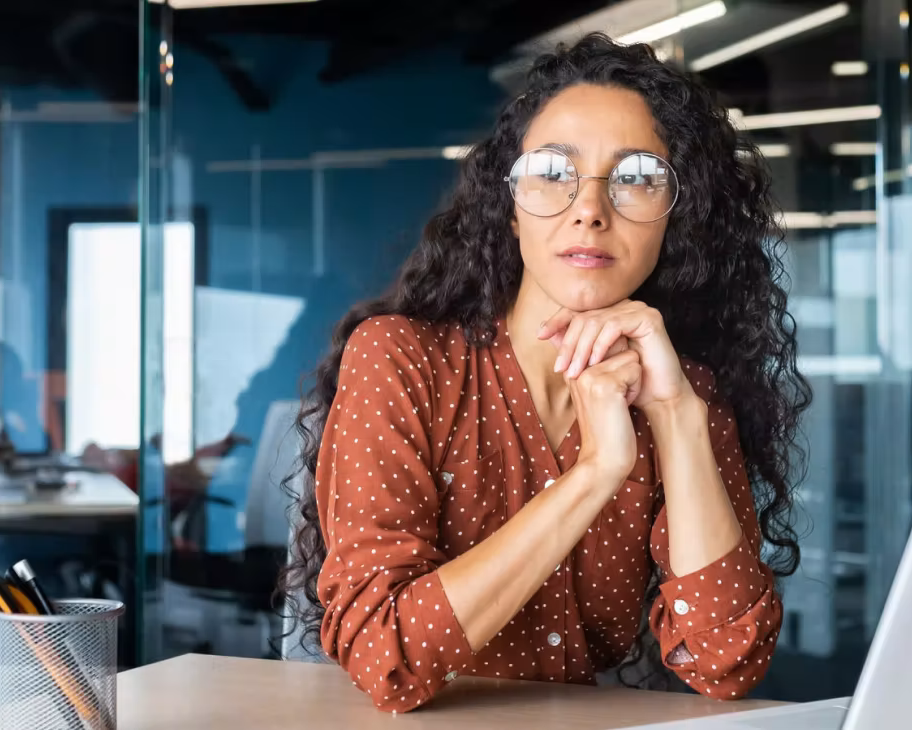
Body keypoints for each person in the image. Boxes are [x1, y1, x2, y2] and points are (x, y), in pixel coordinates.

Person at [281, 33, 810, 713]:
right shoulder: (400, 360)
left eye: (637, 177)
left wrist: (677, 415)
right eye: (554, 172)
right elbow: (386, 657)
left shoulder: (682, 391)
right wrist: (594, 475)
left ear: (676, 220)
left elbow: (726, 663)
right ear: (510, 205)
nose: (590, 208)